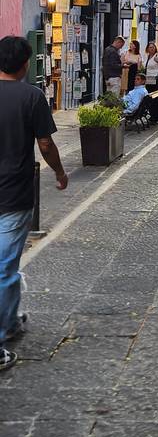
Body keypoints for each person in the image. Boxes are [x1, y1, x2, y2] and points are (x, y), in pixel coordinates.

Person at [0, 36, 68, 371]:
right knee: (4, 269)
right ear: (26, 63)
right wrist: (59, 171)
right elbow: (44, 143)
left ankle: (10, 323)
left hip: (13, 196)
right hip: (14, 195)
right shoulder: (32, 96)